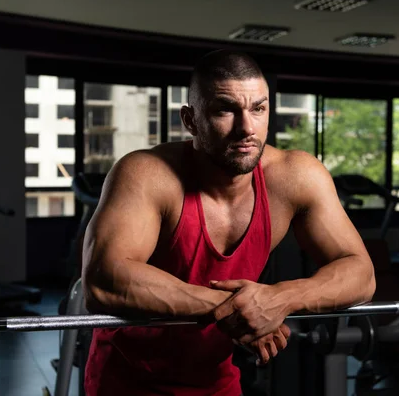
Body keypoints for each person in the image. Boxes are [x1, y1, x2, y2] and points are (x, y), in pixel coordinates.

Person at [81, 49, 376, 395]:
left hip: (216, 380)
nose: (246, 128)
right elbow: (104, 279)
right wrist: (239, 311)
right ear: (191, 120)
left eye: (258, 108)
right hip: (127, 381)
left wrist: (280, 299)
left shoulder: (296, 177)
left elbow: (361, 273)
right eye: (225, 109)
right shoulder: (146, 174)